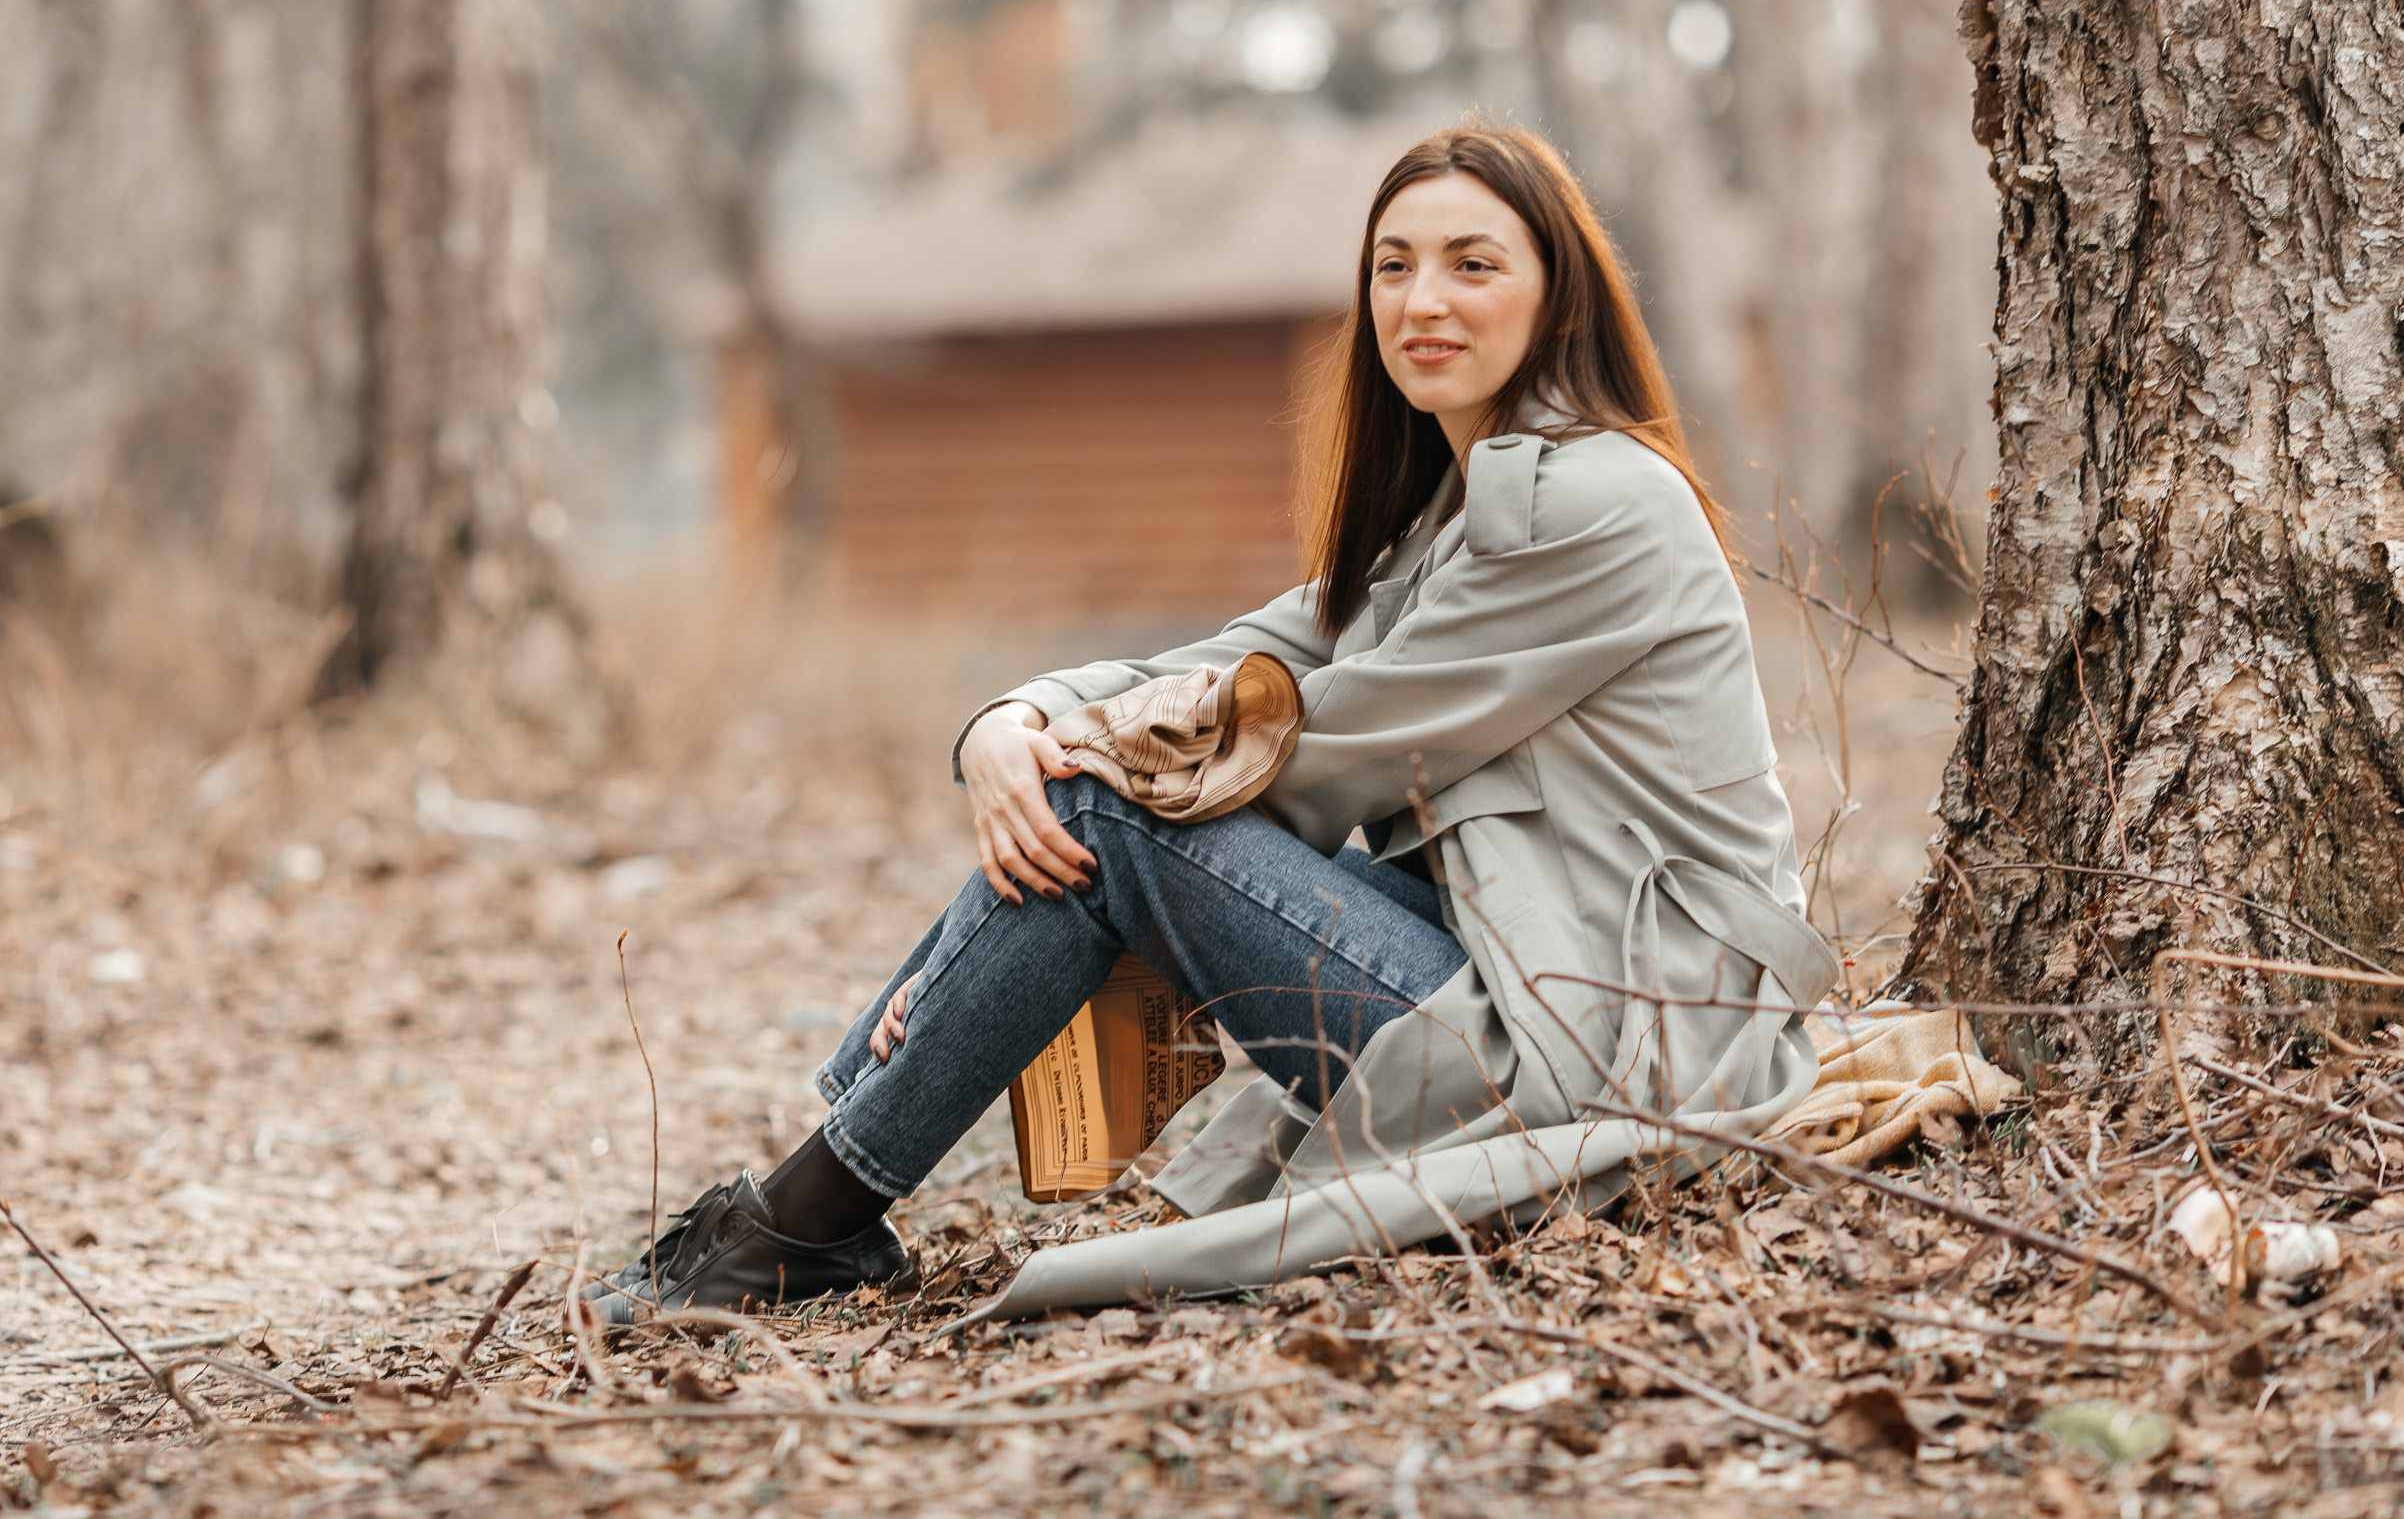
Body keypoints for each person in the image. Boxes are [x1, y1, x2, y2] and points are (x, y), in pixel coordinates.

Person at [576, 121, 1831, 1326]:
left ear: (1558, 300)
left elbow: (1315, 739)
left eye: (1472, 263)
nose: (1421, 301)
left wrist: (1048, 790)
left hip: (1615, 1045)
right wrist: (1010, 719)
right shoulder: (1454, 514)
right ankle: (813, 1209)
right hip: (1541, 988)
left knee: (1100, 816)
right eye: (1392, 266)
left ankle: (798, 1223)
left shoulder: (1592, 504)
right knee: (1090, 803)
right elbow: (1248, 656)